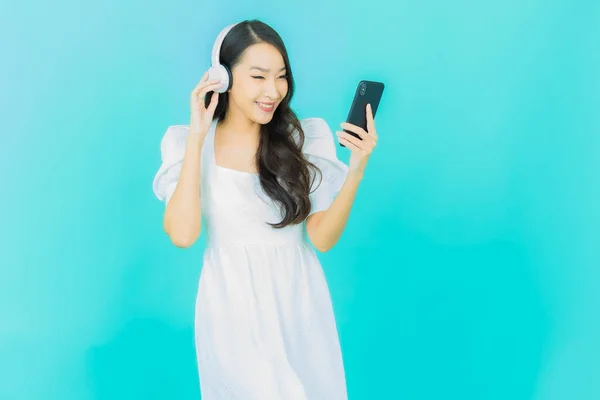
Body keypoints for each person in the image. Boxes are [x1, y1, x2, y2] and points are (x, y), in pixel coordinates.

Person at [152, 19, 378, 400]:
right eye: (258, 77)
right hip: (231, 307)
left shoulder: (303, 138)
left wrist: (356, 170)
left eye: (281, 76)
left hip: (299, 302)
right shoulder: (187, 144)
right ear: (222, 78)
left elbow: (321, 238)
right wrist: (197, 138)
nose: (273, 91)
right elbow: (183, 234)